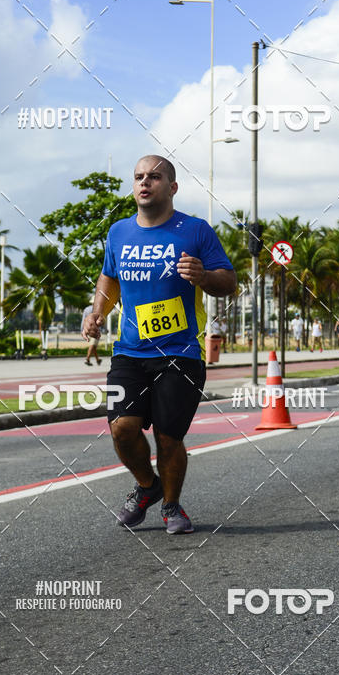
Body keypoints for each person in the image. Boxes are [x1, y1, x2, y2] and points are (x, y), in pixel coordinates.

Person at [82, 155, 236, 534]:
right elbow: (109, 277)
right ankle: (148, 486)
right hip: (129, 353)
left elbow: (228, 281)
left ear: (172, 187)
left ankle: (171, 505)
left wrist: (203, 276)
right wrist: (96, 311)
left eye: (154, 176)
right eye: (138, 177)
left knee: (169, 438)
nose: (144, 182)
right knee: (121, 428)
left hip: (180, 354)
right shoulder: (119, 232)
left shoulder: (196, 230)